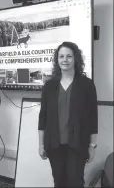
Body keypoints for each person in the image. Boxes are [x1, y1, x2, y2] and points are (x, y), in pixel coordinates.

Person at [38, 41, 98, 187]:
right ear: (57, 60)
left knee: (75, 181)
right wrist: (41, 144)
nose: (65, 60)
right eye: (61, 56)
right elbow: (43, 117)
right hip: (54, 144)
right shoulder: (49, 85)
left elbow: (93, 117)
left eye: (69, 56)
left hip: (77, 144)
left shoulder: (86, 85)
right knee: (59, 181)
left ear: (75, 59)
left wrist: (92, 145)